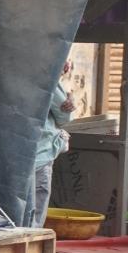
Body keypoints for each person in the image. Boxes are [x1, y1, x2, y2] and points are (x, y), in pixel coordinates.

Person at [29, 77, 73, 227]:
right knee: (34, 217)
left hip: (10, 154)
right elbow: (64, 117)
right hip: (41, 152)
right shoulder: (47, 75)